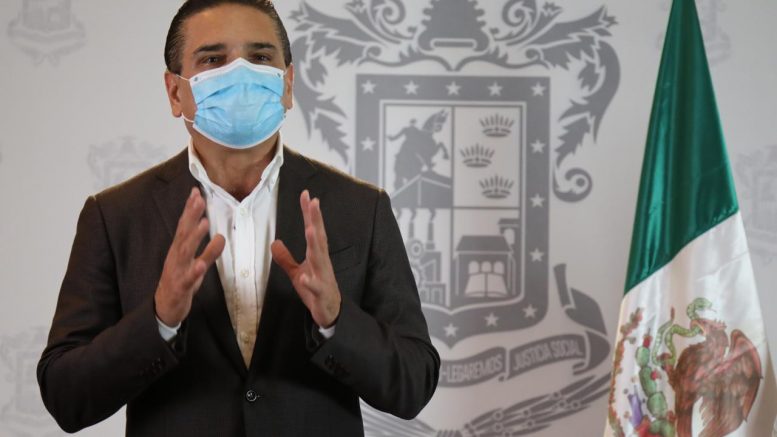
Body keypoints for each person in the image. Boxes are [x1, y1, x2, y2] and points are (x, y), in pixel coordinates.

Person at [36, 1, 440, 435]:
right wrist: (158, 320)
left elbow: (413, 384)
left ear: (288, 83)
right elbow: (66, 396)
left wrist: (336, 320)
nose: (241, 74)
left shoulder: (360, 208)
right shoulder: (115, 216)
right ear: (175, 92)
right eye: (214, 60)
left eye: (260, 57)